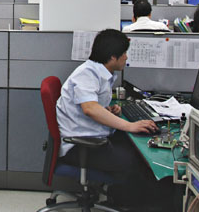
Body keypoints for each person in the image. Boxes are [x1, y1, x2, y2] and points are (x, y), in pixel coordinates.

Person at [57, 29, 160, 205]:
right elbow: (89, 108)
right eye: (124, 53)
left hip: (93, 138)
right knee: (137, 163)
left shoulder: (99, 73)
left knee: (136, 151)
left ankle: (122, 199)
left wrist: (107, 111)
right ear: (113, 57)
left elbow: (92, 106)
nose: (126, 57)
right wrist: (129, 125)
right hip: (81, 146)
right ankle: (126, 203)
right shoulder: (86, 74)